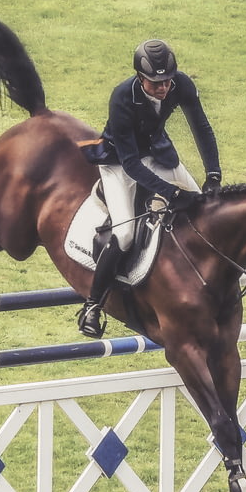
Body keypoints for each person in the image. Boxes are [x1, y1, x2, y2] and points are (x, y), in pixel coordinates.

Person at [78, 38, 223, 338]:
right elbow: (132, 164)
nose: (164, 88)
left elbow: (202, 128)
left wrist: (213, 174)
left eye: (168, 81)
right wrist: (171, 193)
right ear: (140, 78)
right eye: (156, 83)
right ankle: (92, 306)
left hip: (157, 152)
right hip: (120, 162)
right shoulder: (122, 97)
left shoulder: (180, 84)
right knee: (125, 233)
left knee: (204, 211)